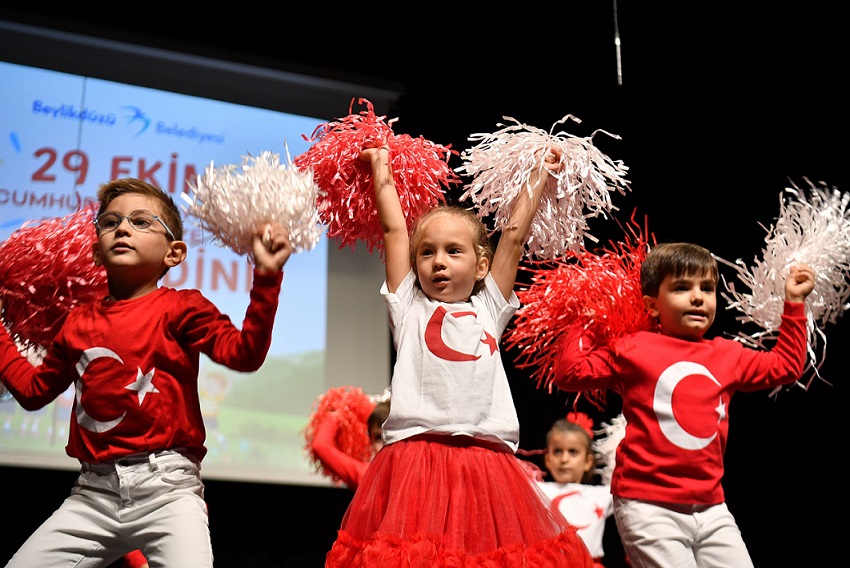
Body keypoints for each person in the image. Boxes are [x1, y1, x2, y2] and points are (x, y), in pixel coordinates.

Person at [0, 177, 293, 567]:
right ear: (95, 252)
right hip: (92, 494)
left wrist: (267, 276)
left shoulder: (183, 307)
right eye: (109, 222)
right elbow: (33, 391)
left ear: (174, 253)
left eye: (141, 222)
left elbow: (243, 354)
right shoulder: (76, 323)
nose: (122, 228)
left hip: (169, 491)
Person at [325, 146, 593, 566]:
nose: (439, 262)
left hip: (487, 467)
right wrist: (381, 165)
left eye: (454, 251)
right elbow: (395, 230)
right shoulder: (409, 306)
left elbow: (514, 237)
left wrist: (539, 172)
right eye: (427, 252)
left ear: (481, 265)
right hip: (416, 461)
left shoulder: (489, 307)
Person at [552, 242, 815, 568]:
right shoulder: (635, 348)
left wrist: (794, 303)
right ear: (652, 305)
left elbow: (786, 366)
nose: (697, 297)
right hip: (647, 505)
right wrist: (589, 317)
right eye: (681, 288)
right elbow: (570, 373)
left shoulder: (727, 355)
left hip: (712, 508)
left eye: (707, 288)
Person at [537, 414, 617, 568]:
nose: (564, 459)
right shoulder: (538, 490)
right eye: (557, 451)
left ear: (587, 461)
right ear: (547, 460)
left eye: (573, 451)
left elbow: (632, 490)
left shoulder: (601, 494)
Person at [310, 395, 391, 490]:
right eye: (378, 438)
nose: (386, 443)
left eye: (391, 436)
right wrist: (339, 412)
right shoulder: (366, 475)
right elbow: (321, 446)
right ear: (370, 441)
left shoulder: (411, 473)